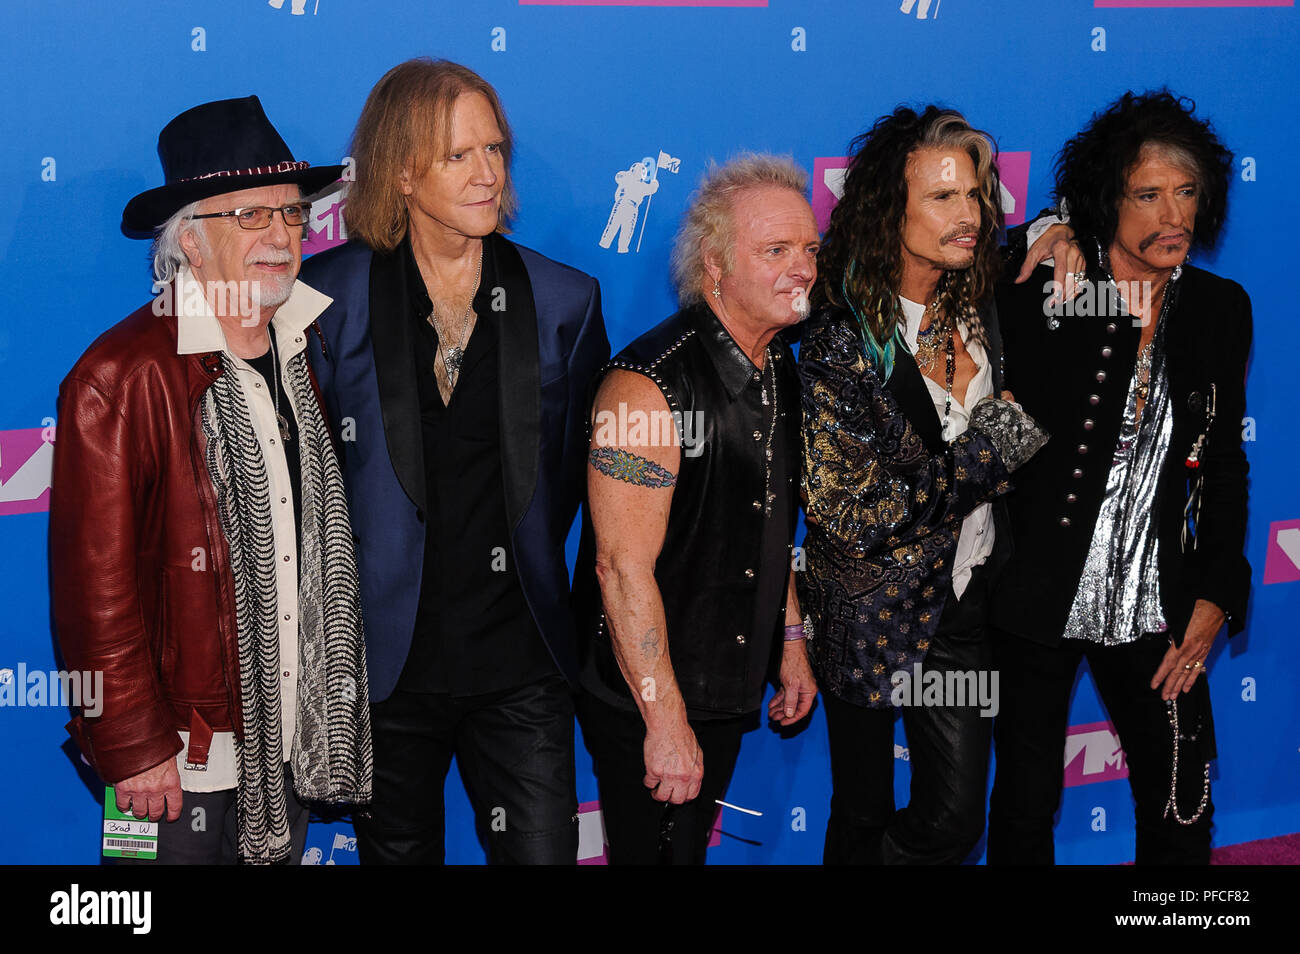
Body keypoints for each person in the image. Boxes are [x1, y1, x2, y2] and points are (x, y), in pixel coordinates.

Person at [300, 58, 609, 864]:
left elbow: (575, 478)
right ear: (402, 170)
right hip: (382, 669)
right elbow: (309, 479)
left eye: (495, 150)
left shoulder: (564, 300)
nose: (487, 174)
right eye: (458, 155)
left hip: (523, 666)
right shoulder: (324, 298)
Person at [50, 95, 372, 864]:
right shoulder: (119, 376)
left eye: (292, 216)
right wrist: (129, 744)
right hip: (170, 760)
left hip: (288, 740)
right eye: (251, 217)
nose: (282, 237)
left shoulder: (306, 350)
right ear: (189, 242)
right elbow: (92, 588)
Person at [988, 90, 1251, 865]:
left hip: (1156, 601)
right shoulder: (1047, 281)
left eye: (1188, 191)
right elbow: (960, 253)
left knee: (1181, 799)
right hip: (1039, 592)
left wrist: (1217, 592)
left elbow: (1225, 461)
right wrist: (1046, 226)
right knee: (1025, 804)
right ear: (1107, 199)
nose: (1175, 214)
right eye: (1148, 194)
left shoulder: (1219, 308)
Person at [798, 106, 1050, 864]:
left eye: (974, 194)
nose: (968, 213)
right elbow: (854, 512)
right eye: (942, 197)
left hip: (963, 606)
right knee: (865, 807)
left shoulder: (983, 300)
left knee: (954, 816)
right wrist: (992, 449)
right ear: (888, 209)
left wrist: (1053, 228)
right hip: (868, 614)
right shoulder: (840, 336)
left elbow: (1075, 230)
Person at [572, 155, 820, 864]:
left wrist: (791, 639)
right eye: (775, 251)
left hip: (727, 679)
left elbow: (769, 521)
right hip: (648, 692)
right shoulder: (645, 387)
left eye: (808, 249)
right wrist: (664, 719)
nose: (801, 268)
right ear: (715, 265)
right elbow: (620, 568)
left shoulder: (777, 365)